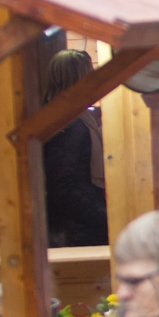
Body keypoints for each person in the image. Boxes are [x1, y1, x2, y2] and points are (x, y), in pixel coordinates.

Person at [42, 49, 109, 248]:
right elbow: (62, 186)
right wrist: (103, 217)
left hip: (76, 226)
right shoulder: (69, 125)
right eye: (90, 75)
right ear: (79, 79)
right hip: (77, 231)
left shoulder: (65, 118)